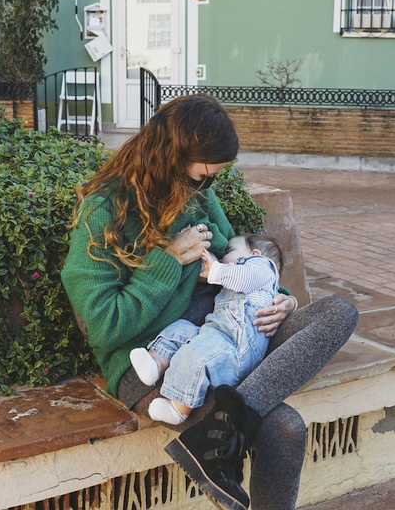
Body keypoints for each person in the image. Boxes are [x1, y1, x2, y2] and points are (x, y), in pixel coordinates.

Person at [61, 94, 358, 510]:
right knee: (284, 427)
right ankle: (223, 433)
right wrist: (163, 263)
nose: (205, 187)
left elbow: (240, 260)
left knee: (339, 311)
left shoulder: (198, 196)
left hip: (231, 329)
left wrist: (280, 301)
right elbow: (103, 326)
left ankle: (224, 427)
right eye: (202, 176)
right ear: (168, 155)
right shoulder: (104, 212)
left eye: (214, 178)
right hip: (160, 359)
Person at [130, 233, 284, 425]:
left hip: (237, 347)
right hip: (216, 334)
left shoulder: (261, 267)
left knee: (196, 356)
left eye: (229, 251)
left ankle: (178, 409)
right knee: (180, 329)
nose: (221, 258)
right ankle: (156, 363)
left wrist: (215, 269)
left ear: (255, 254)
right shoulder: (241, 277)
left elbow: (243, 278)